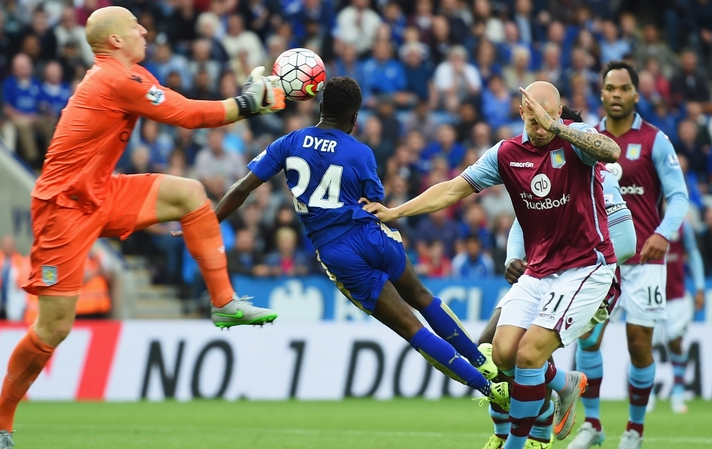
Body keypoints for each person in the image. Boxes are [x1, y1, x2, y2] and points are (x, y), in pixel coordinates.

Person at [0, 6, 285, 448]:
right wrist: (249, 102)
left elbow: (185, 106)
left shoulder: (131, 75)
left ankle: (224, 303)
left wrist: (244, 100)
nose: (143, 29)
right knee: (53, 328)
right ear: (115, 41)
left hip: (101, 191)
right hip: (63, 208)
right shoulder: (114, 79)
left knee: (189, 194)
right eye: (134, 26)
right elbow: (187, 115)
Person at [211, 76, 509, 410]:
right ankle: (483, 361)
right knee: (423, 297)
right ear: (355, 118)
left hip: (338, 251)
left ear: (321, 107)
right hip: (373, 235)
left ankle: (489, 389)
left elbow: (243, 187)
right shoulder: (361, 152)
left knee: (411, 329)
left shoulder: (289, 142)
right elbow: (375, 201)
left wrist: (211, 220)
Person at [364, 81, 623, 449]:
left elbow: (611, 150)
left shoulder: (574, 138)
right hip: (539, 271)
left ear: (558, 113)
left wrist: (558, 128)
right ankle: (564, 383)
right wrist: (396, 212)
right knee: (501, 355)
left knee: (529, 353)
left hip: (586, 267)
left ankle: (520, 443)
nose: (539, 126)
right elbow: (453, 189)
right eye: (532, 118)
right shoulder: (506, 154)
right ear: (521, 112)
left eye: (546, 117)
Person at [477, 107, 638, 449]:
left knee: (531, 353)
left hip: (587, 274)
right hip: (541, 272)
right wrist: (514, 259)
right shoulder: (535, 172)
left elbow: (625, 242)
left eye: (546, 127)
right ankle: (515, 425)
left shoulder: (596, 171)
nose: (536, 138)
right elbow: (526, 223)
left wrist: (565, 260)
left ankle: (534, 437)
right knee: (493, 348)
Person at [566, 61, 689, 449]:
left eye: (623, 88)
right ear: (600, 94)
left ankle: (634, 430)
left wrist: (662, 234)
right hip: (599, 260)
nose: (616, 94)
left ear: (636, 94)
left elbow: (679, 197)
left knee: (639, 344)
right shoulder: (588, 139)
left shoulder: (656, 140)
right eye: (609, 88)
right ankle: (594, 426)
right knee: (587, 339)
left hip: (645, 262)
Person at [649, 219, 704, 414]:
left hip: (676, 296)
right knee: (648, 346)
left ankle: (678, 394)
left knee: (675, 342)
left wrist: (699, 286)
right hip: (651, 294)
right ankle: (649, 396)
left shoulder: (682, 225)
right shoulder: (646, 219)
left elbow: (694, 253)